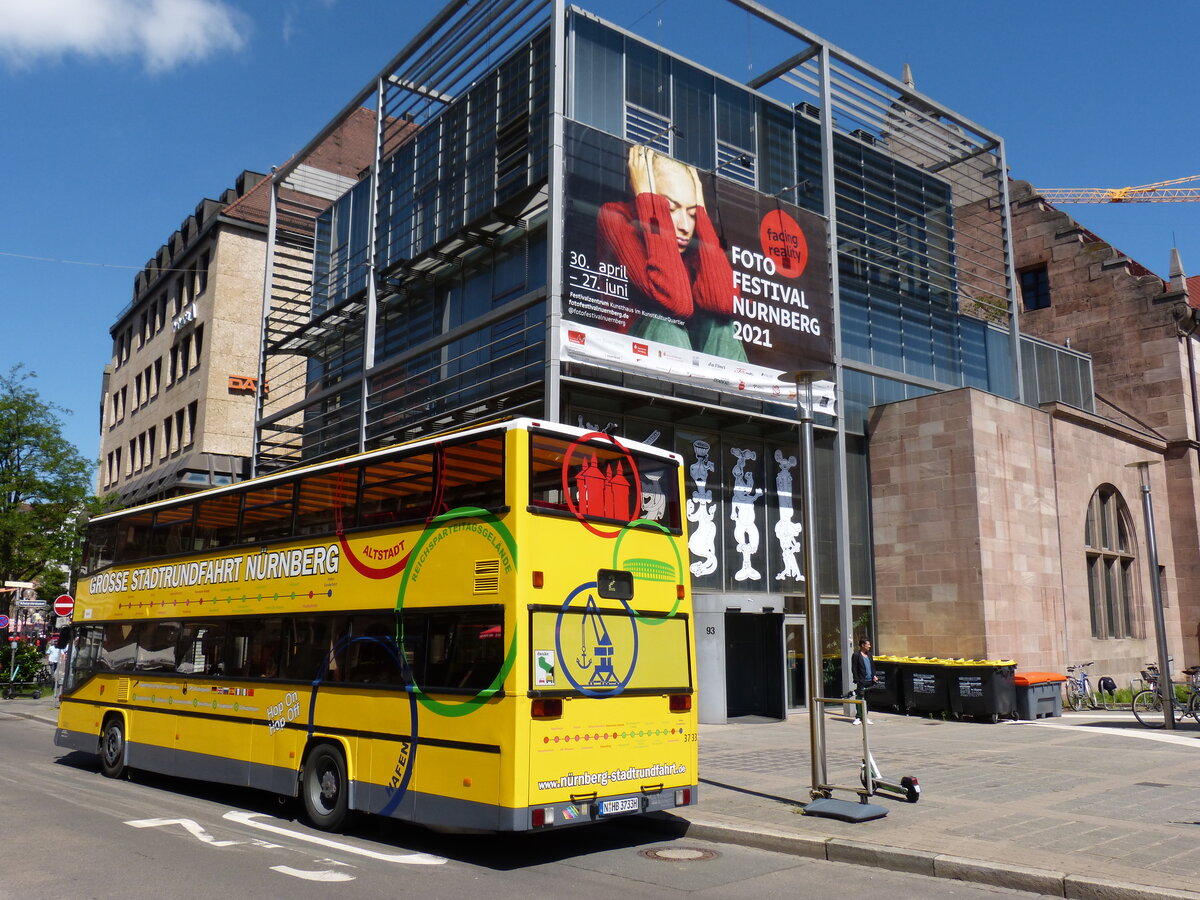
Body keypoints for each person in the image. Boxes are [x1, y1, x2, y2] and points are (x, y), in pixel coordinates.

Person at [597, 145, 746, 360]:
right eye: (670, 208)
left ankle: (723, 393)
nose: (685, 225)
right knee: (667, 323)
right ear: (642, 192)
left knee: (722, 328)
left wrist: (702, 215)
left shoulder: (692, 240)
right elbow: (676, 303)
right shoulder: (615, 217)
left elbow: (725, 304)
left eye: (692, 213)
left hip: (685, 351)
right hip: (625, 351)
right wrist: (650, 204)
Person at [850, 637, 877, 726]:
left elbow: (872, 667)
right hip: (862, 681)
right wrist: (857, 680)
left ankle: (865, 717)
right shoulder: (856, 655)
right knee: (860, 698)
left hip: (870, 681)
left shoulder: (869, 655)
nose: (870, 646)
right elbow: (854, 668)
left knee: (867, 700)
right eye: (868, 644)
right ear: (862, 645)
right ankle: (858, 717)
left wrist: (874, 676)